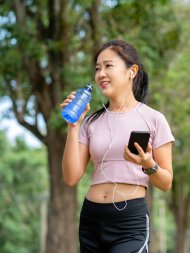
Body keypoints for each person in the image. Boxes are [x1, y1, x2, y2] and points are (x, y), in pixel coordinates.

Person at [60, 39, 175, 253]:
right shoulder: (90, 122)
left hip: (129, 221)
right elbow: (71, 177)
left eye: (108, 66)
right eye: (97, 68)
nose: (100, 74)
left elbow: (166, 182)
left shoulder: (154, 119)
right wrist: (73, 127)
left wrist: (149, 164)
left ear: (132, 71)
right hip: (91, 219)